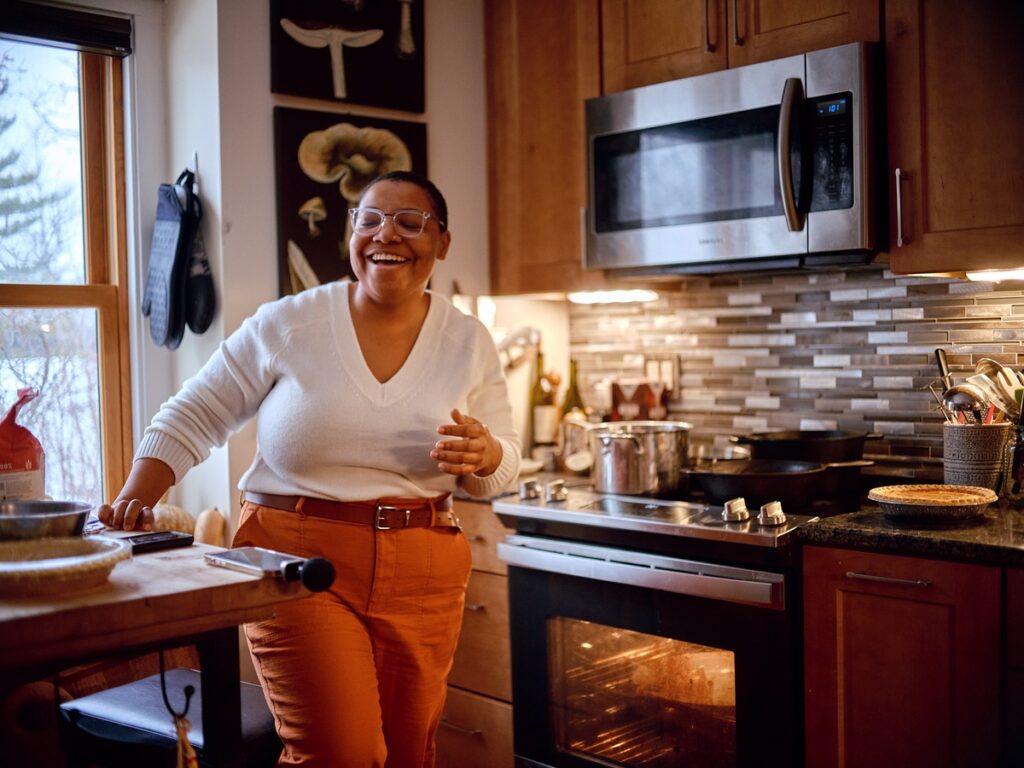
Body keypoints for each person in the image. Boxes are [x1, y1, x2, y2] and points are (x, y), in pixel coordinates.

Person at [98, 170, 521, 767]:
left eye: (409, 221)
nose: (385, 235)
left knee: (407, 755)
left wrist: (488, 455)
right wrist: (133, 499)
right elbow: (196, 410)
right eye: (368, 220)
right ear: (351, 234)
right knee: (339, 753)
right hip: (297, 561)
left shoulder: (469, 339)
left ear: (443, 242)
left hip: (425, 567)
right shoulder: (290, 322)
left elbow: (504, 459)